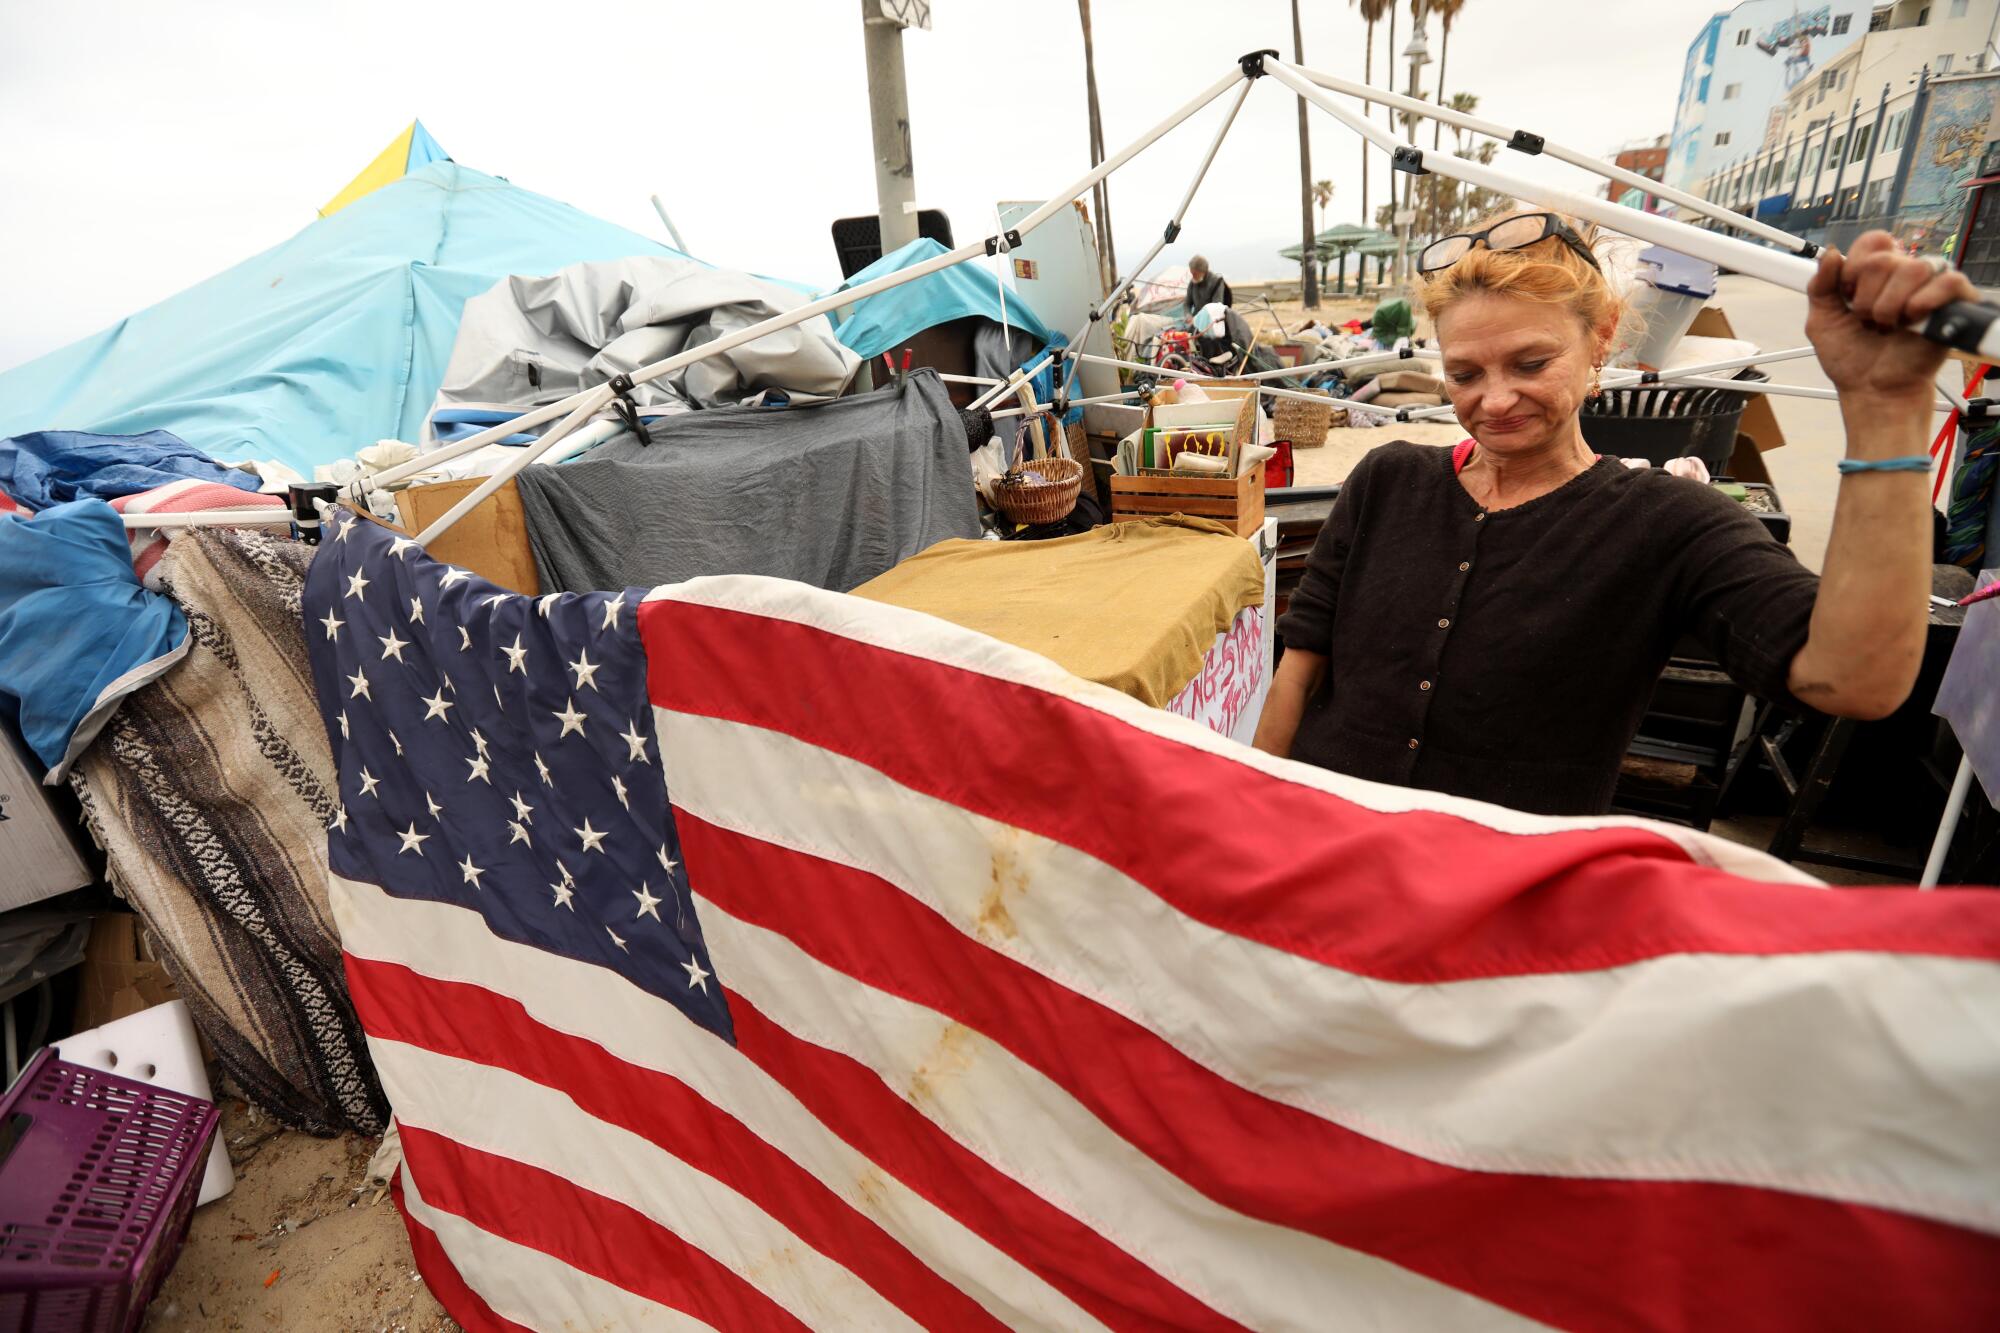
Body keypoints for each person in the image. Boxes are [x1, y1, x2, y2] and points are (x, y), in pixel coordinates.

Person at [1252, 207, 1973, 816]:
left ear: (1601, 340)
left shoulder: (1666, 524)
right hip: (1324, 848)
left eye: (1531, 364)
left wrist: (1884, 410)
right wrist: (1257, 812)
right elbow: (1300, 669)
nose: (1494, 399)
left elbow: (1853, 679)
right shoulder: (1387, 479)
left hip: (1506, 916)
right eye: (1465, 374)